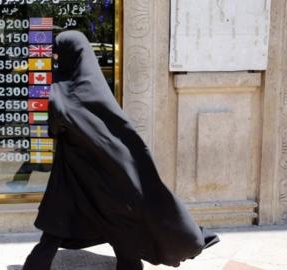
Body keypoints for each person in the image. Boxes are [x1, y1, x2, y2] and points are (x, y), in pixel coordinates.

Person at [22, 31, 219, 270]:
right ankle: (129, 264)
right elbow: (119, 133)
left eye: (57, 53)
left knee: (59, 221)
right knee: (116, 220)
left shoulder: (61, 91)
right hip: (109, 174)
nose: (54, 57)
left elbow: (55, 125)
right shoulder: (97, 89)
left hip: (75, 173)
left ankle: (36, 266)